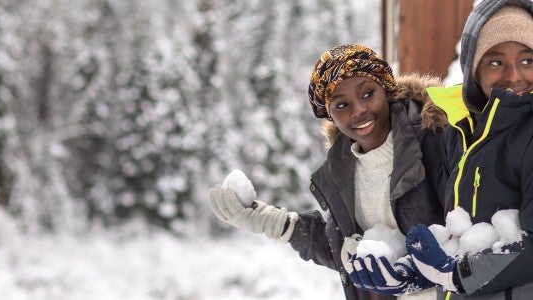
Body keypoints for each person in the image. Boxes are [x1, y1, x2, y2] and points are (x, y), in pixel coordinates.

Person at [208, 44, 448, 300]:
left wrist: (412, 272)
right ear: (329, 114)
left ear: (386, 90)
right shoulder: (341, 171)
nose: (358, 111)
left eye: (367, 94)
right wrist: (272, 221)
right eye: (342, 105)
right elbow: (339, 247)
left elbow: (467, 238)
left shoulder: (435, 142)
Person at [349, 1, 533, 299]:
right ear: (474, 68)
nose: (514, 76)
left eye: (528, 60)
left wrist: (456, 273)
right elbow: (459, 235)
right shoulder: (459, 132)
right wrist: (413, 270)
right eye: (496, 62)